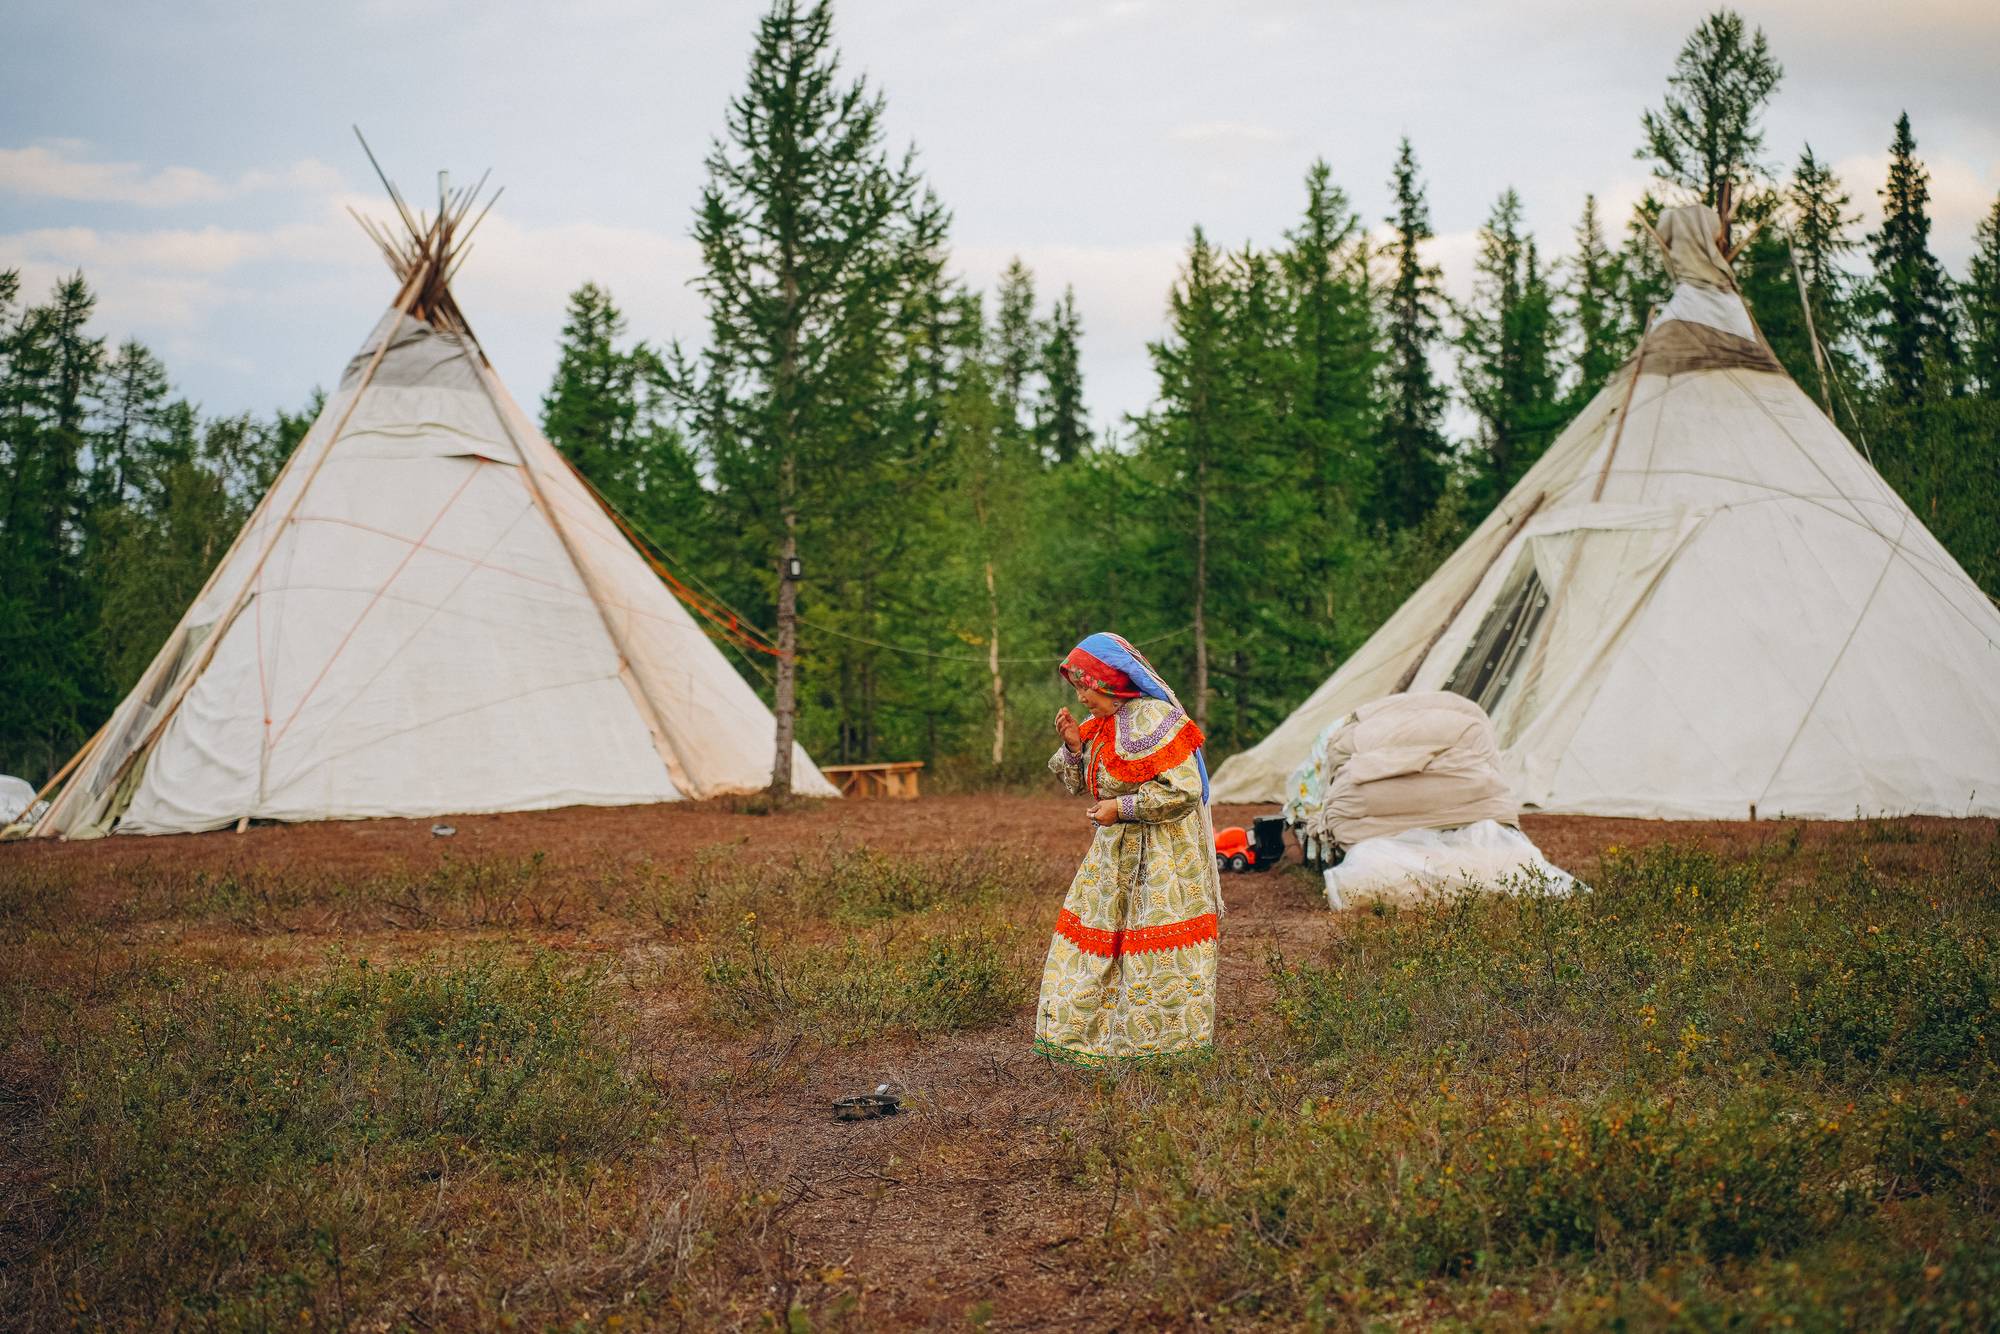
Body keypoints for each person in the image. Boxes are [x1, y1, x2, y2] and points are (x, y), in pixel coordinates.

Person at [1036, 632, 1223, 1066]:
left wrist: (1122, 808)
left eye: (1086, 686)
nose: (1081, 696)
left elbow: (1184, 791)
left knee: (1152, 950)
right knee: (1101, 946)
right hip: (1112, 858)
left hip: (1163, 859)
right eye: (1077, 688)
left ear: (1112, 680)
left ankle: (1160, 1049)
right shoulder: (1100, 727)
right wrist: (1072, 747)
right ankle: (1095, 1041)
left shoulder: (1156, 719)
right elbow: (1077, 785)